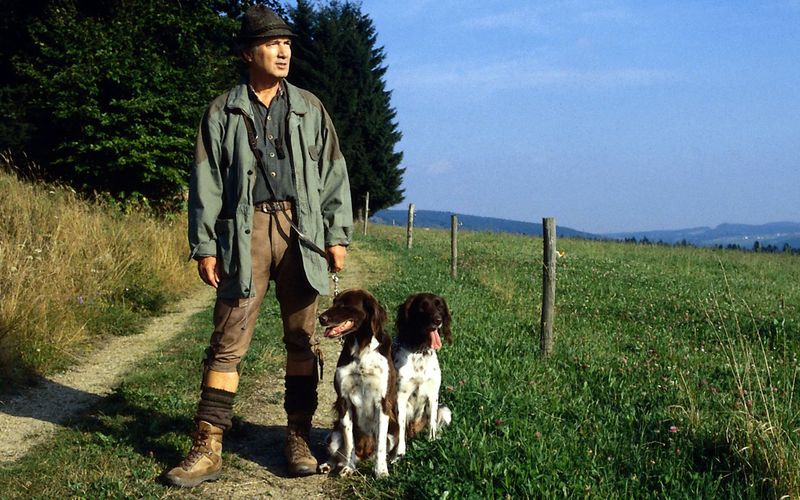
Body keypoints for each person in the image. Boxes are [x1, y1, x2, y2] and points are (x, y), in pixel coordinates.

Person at [164, 5, 352, 487]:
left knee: (302, 339)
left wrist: (337, 235)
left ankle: (297, 435)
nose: (283, 51)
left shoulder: (310, 109)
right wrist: (205, 245)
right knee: (227, 342)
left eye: (287, 43)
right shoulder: (221, 111)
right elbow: (204, 182)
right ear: (249, 53)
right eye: (272, 44)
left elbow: (334, 172)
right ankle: (208, 445)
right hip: (243, 236)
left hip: (302, 232)